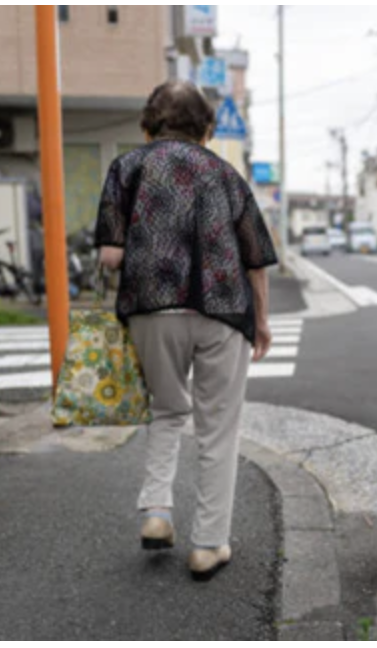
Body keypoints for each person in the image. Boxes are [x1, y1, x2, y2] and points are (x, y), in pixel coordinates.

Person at [95, 81, 278, 581]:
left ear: (145, 126)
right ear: (209, 129)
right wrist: (260, 320)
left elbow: (110, 256)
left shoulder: (126, 169)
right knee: (218, 427)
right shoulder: (226, 175)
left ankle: (156, 512)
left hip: (152, 309)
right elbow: (256, 257)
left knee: (168, 411)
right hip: (223, 308)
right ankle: (208, 545)